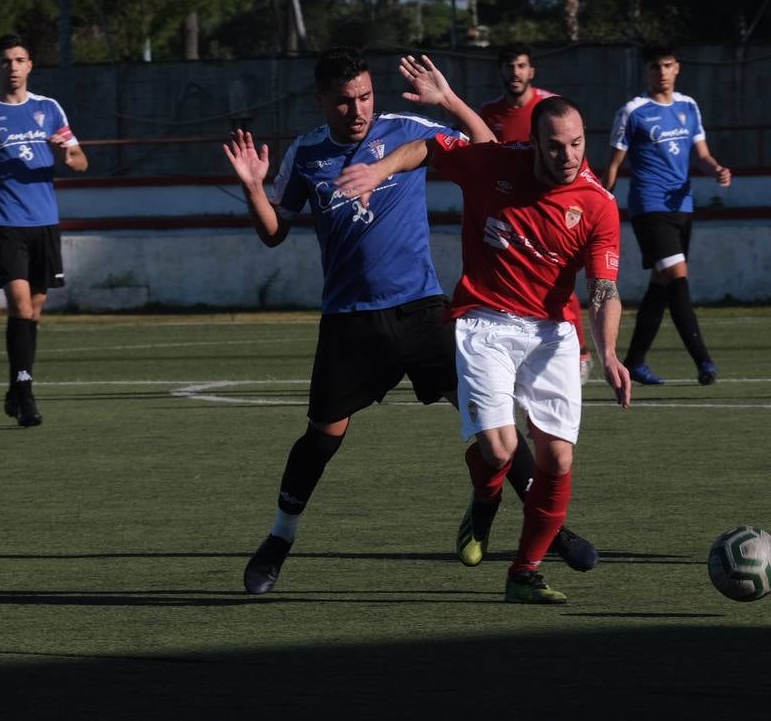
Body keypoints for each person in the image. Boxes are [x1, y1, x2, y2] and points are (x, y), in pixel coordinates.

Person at [223, 47, 598, 596]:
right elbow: (274, 232)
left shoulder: (405, 131)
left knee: (498, 431)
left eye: (366, 97)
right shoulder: (306, 153)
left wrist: (447, 99)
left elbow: (486, 150)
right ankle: (278, 542)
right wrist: (255, 189)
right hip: (350, 321)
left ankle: (552, 533)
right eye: (345, 101)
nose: (358, 110)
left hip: (423, 311)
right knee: (322, 438)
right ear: (322, 100)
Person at [337, 86, 631, 605]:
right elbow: (429, 148)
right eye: (557, 146)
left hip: (551, 334)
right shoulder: (495, 163)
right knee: (500, 449)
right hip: (484, 322)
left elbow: (604, 290)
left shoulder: (598, 205)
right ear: (535, 144)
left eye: (578, 144)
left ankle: (524, 572)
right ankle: (484, 498)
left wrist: (607, 352)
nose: (569, 156)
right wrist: (381, 172)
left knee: (557, 461)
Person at [0, 33, 89, 427]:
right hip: (3, 220)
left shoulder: (49, 109)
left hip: (44, 221)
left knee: (36, 310)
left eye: (19, 60)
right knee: (21, 305)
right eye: (5, 61)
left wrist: (65, 153)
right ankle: (26, 394)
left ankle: (15, 384)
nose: (12, 67)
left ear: (30, 66)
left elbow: (80, 162)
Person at [603, 43, 731, 386]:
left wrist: (716, 168)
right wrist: (602, 204)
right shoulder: (633, 111)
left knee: (662, 286)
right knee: (677, 277)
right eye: (654, 67)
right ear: (647, 72)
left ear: (678, 68)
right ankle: (704, 361)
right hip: (649, 207)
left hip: (682, 207)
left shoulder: (689, 107)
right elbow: (614, 163)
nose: (661, 72)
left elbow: (701, 154)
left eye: (667, 65)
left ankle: (634, 362)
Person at [479, 44, 592, 381]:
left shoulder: (550, 109)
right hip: (509, 212)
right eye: (509, 66)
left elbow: (574, 155)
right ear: (501, 71)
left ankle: (580, 351)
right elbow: (483, 162)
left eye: (521, 65)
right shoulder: (489, 114)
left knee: (559, 280)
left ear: (532, 71)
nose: (515, 73)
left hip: (552, 208)